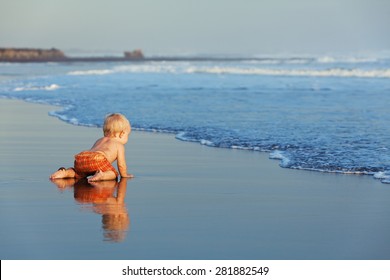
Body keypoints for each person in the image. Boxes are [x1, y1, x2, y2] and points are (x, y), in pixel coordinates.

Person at [50, 113, 134, 182]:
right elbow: (121, 165)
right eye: (127, 135)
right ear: (122, 134)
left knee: (78, 173)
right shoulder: (119, 145)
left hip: (82, 158)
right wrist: (124, 175)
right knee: (113, 173)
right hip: (98, 159)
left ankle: (65, 173)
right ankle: (101, 175)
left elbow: (91, 155)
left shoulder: (100, 140)